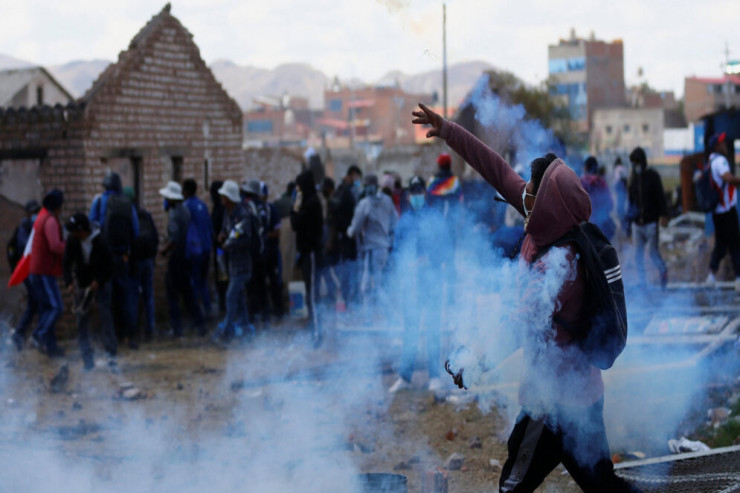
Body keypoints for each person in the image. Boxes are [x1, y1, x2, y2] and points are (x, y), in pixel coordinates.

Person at [412, 103, 641, 493]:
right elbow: (497, 170)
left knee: (512, 488)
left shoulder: (560, 265)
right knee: (604, 486)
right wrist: (448, 130)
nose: (522, 195)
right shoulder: (549, 222)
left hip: (550, 408)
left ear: (549, 203)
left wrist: (472, 361)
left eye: (531, 192)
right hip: (584, 398)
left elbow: (518, 326)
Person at [389, 176, 444, 393]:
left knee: (432, 329)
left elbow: (445, 246)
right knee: (410, 329)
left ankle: (435, 376)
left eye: (420, 191)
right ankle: (405, 376)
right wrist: (403, 271)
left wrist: (431, 260)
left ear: (425, 194)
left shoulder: (435, 218)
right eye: (413, 192)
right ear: (409, 196)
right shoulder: (404, 221)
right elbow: (396, 251)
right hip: (411, 283)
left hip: (431, 282)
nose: (417, 196)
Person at [88, 171, 140, 347]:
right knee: (125, 295)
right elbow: (136, 231)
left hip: (105, 258)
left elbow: (90, 228)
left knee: (106, 299)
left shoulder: (99, 201)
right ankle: (130, 336)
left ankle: (110, 340)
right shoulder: (128, 204)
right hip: (123, 256)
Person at [63, 213, 116, 370]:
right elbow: (66, 263)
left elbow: (110, 265)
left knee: (105, 317)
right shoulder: (73, 241)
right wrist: (69, 283)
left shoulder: (100, 240)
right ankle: (88, 361)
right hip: (83, 283)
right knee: (82, 321)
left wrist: (98, 281)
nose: (73, 234)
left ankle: (111, 356)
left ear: (83, 231)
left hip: (101, 283)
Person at [159, 181, 206, 338]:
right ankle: (200, 324)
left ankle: (177, 329)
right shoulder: (186, 210)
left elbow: (174, 238)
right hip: (187, 257)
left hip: (177, 258)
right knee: (188, 294)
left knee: (172, 295)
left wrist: (164, 250)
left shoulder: (174, 214)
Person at [347, 174, 398, 319]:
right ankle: (374, 317)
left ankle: (385, 316)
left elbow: (355, 229)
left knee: (370, 286)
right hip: (384, 249)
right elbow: (395, 222)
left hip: (372, 250)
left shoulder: (365, 204)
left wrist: (348, 231)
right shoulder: (387, 201)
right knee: (375, 284)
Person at [216, 180, 259, 341]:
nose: (221, 198)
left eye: (224, 196)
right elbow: (226, 230)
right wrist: (222, 235)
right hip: (233, 264)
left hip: (242, 265)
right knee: (239, 299)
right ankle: (246, 328)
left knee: (231, 296)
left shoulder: (243, 215)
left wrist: (231, 244)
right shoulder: (228, 213)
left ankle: (227, 330)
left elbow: (246, 240)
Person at [28, 189, 66, 357]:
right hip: (43, 271)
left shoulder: (43, 218)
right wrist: (69, 248)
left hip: (39, 270)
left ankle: (51, 348)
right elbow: (55, 246)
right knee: (56, 307)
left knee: (47, 309)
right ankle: (38, 335)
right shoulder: (50, 221)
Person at [290, 169, 324, 346]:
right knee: (312, 294)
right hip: (307, 252)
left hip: (311, 253)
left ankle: (317, 334)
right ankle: (315, 330)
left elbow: (295, 224)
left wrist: (294, 208)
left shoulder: (311, 203)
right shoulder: (310, 201)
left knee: (312, 296)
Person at [627, 147, 669, 288]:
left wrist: (664, 214)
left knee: (653, 252)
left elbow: (661, 197)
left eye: (636, 162)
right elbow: (631, 202)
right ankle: (642, 282)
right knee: (638, 256)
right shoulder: (633, 179)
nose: (635, 166)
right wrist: (628, 221)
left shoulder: (653, 176)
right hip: (637, 224)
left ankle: (663, 274)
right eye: (633, 163)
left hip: (651, 223)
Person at [704, 132, 740, 289]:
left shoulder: (710, 162)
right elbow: (729, 179)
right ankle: (738, 278)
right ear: (716, 146)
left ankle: (711, 275)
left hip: (718, 211)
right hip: (727, 210)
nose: (725, 145)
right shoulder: (721, 161)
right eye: (722, 143)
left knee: (721, 244)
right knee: (735, 244)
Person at [124, 187, 159, 341]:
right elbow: (156, 236)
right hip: (149, 260)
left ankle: (133, 331)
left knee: (133, 296)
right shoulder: (145, 214)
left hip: (136, 261)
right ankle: (150, 329)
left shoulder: (128, 216)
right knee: (148, 296)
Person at [328, 165, 363, 309]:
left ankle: (350, 300)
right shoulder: (345, 191)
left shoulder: (346, 191)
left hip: (348, 237)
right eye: (357, 177)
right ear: (353, 175)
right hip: (346, 238)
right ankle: (349, 300)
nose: (357, 180)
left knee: (349, 271)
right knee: (348, 272)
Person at [10, 199, 41, 351]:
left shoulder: (31, 225)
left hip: (33, 270)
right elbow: (24, 247)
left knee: (35, 302)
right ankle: (21, 334)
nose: (35, 215)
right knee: (35, 301)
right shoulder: (24, 226)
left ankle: (21, 334)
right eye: (33, 212)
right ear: (28, 213)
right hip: (28, 270)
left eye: (37, 212)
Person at [183, 178, 214, 319]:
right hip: (207, 248)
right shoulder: (202, 205)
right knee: (203, 282)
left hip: (196, 251)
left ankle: (197, 317)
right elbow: (209, 227)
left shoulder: (186, 206)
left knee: (194, 283)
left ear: (186, 191)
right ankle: (207, 310)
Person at [580, 156, 615, 240]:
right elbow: (610, 204)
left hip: (584, 227)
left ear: (586, 168)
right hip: (601, 226)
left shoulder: (580, 182)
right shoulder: (601, 182)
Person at [209, 180, 228, 314]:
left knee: (223, 278)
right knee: (222, 278)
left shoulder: (221, 210)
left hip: (222, 249)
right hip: (219, 249)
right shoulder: (218, 208)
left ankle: (225, 307)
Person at [613, 158, 628, 234]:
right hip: (623, 190)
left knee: (620, 209)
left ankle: (623, 227)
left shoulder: (617, 169)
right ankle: (624, 227)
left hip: (620, 189)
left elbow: (617, 180)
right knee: (623, 208)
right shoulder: (624, 168)